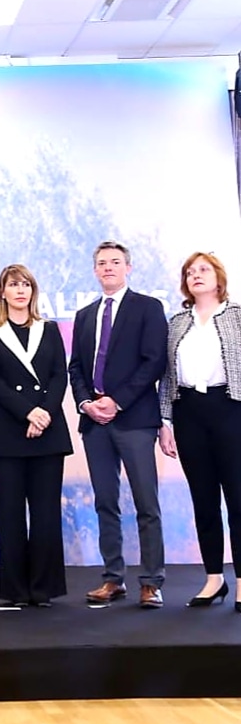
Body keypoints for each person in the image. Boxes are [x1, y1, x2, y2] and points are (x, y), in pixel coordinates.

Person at [68, 241, 167, 608]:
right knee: (105, 503)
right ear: (95, 271)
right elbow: (75, 366)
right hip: (95, 423)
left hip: (135, 420)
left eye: (114, 262)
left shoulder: (148, 307)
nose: (107, 267)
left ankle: (151, 581)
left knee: (146, 503)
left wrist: (118, 400)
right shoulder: (85, 314)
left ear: (129, 267)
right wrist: (86, 403)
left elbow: (154, 361)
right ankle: (113, 579)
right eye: (101, 263)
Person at [0, 264, 72, 608]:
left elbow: (58, 376)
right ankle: (16, 590)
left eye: (25, 285)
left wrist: (44, 412)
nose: (20, 291)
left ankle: (42, 588)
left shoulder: (49, 329)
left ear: (33, 291)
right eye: (12, 285)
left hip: (48, 433)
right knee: (10, 514)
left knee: (46, 514)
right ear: (2, 292)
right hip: (8, 434)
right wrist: (27, 412)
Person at [158, 252, 241, 611]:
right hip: (188, 412)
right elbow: (166, 377)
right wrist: (165, 423)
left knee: (238, 500)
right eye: (190, 272)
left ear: (218, 277)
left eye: (203, 270)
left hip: (231, 409)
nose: (196, 276)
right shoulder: (178, 322)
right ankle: (213, 579)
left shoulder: (237, 316)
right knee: (203, 500)